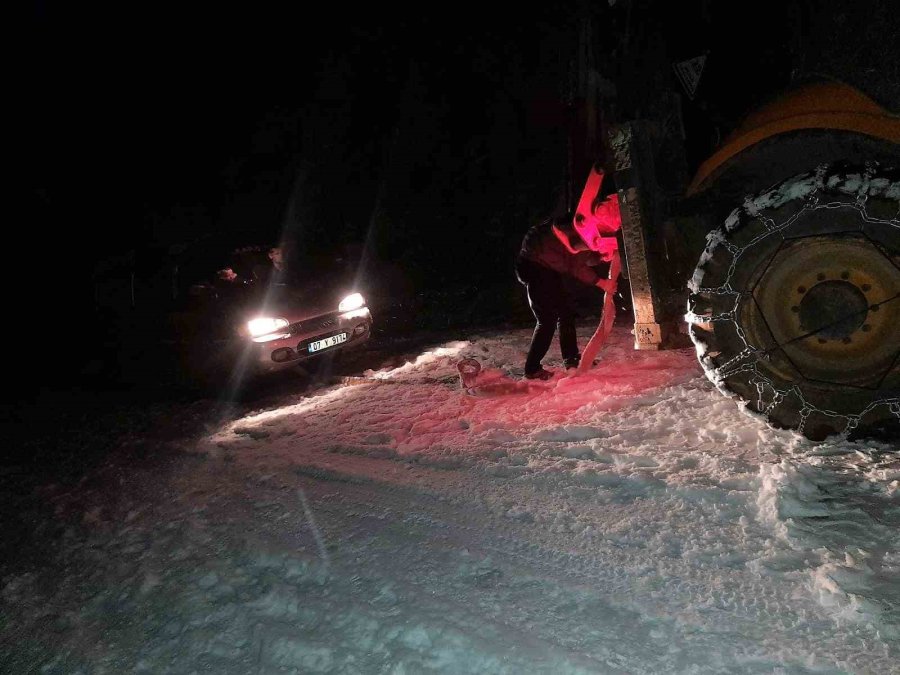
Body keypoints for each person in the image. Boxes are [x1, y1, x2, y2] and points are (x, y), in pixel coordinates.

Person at [515, 211, 618, 380]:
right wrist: (602, 282)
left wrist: (600, 257)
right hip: (535, 266)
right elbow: (577, 267)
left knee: (565, 313)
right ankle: (532, 370)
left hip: (547, 268)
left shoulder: (582, 228)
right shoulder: (584, 233)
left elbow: (582, 259)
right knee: (546, 320)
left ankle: (571, 359)